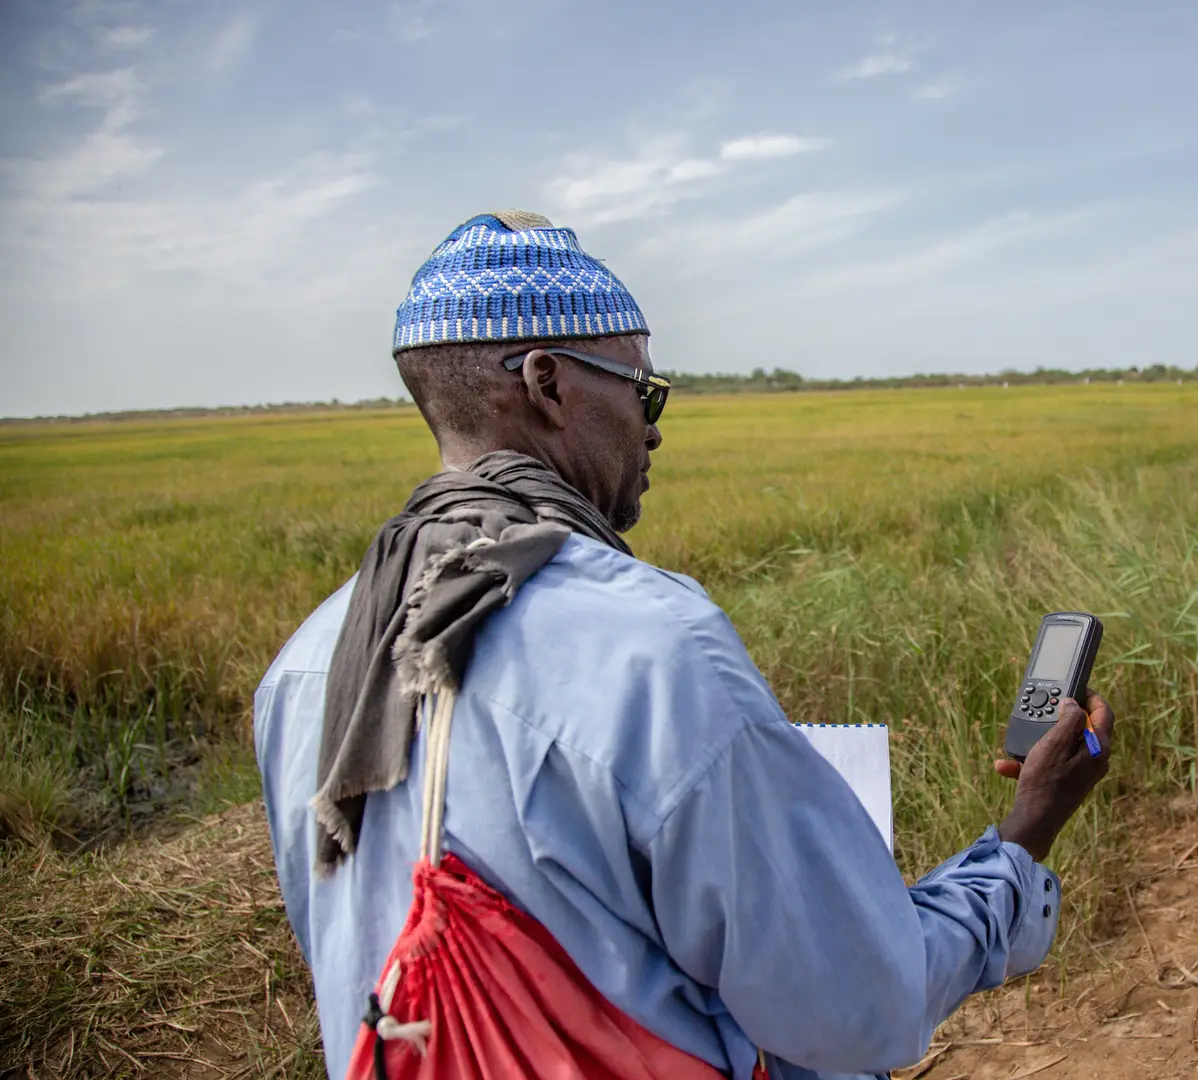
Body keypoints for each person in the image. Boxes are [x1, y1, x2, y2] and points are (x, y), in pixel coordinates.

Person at [255, 210, 1116, 1080]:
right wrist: (1023, 836)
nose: (654, 425)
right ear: (549, 384)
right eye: (642, 391)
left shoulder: (305, 666)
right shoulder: (653, 650)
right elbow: (863, 1005)